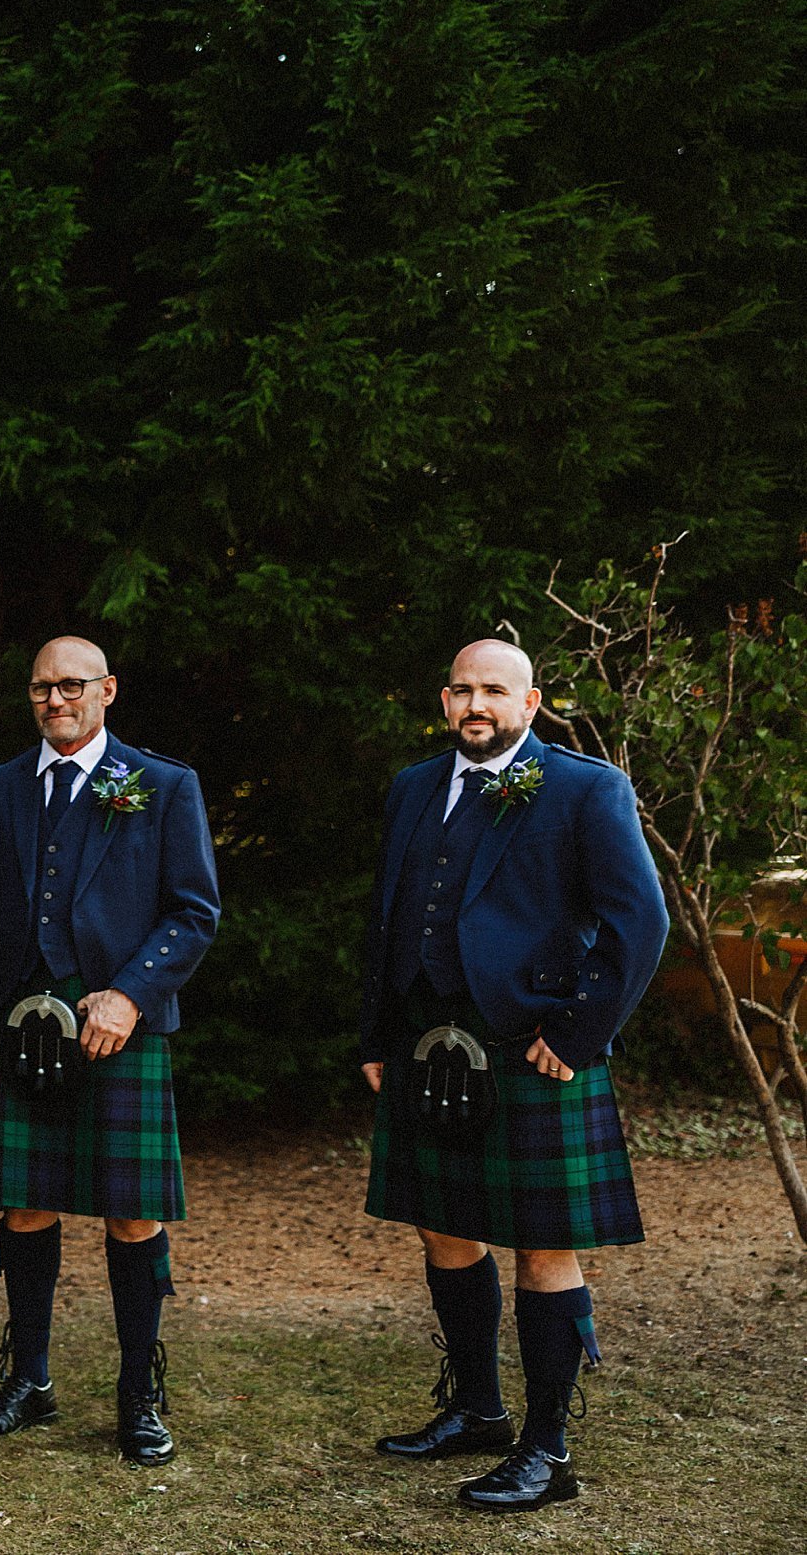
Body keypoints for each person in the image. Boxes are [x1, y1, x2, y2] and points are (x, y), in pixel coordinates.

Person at [360, 639, 668, 1512]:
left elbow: (640, 922)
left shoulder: (583, 786)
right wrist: (378, 1033)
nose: (476, 703)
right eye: (462, 688)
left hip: (530, 1048)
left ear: (531, 704)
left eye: (495, 689)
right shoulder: (415, 785)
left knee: (544, 1245)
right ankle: (476, 1409)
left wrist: (576, 1032)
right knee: (444, 1226)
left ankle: (548, 1448)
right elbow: (386, 919)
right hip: (427, 1041)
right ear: (445, 698)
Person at [0, 636, 219, 1467]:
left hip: (116, 1032)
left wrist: (132, 992)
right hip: (17, 1028)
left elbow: (194, 911)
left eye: (71, 685)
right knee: (25, 1203)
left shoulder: (164, 785)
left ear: (107, 691)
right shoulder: (0, 788)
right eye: (40, 688)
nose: (55, 699)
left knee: (133, 1213)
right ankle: (29, 1380)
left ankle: (139, 1393)